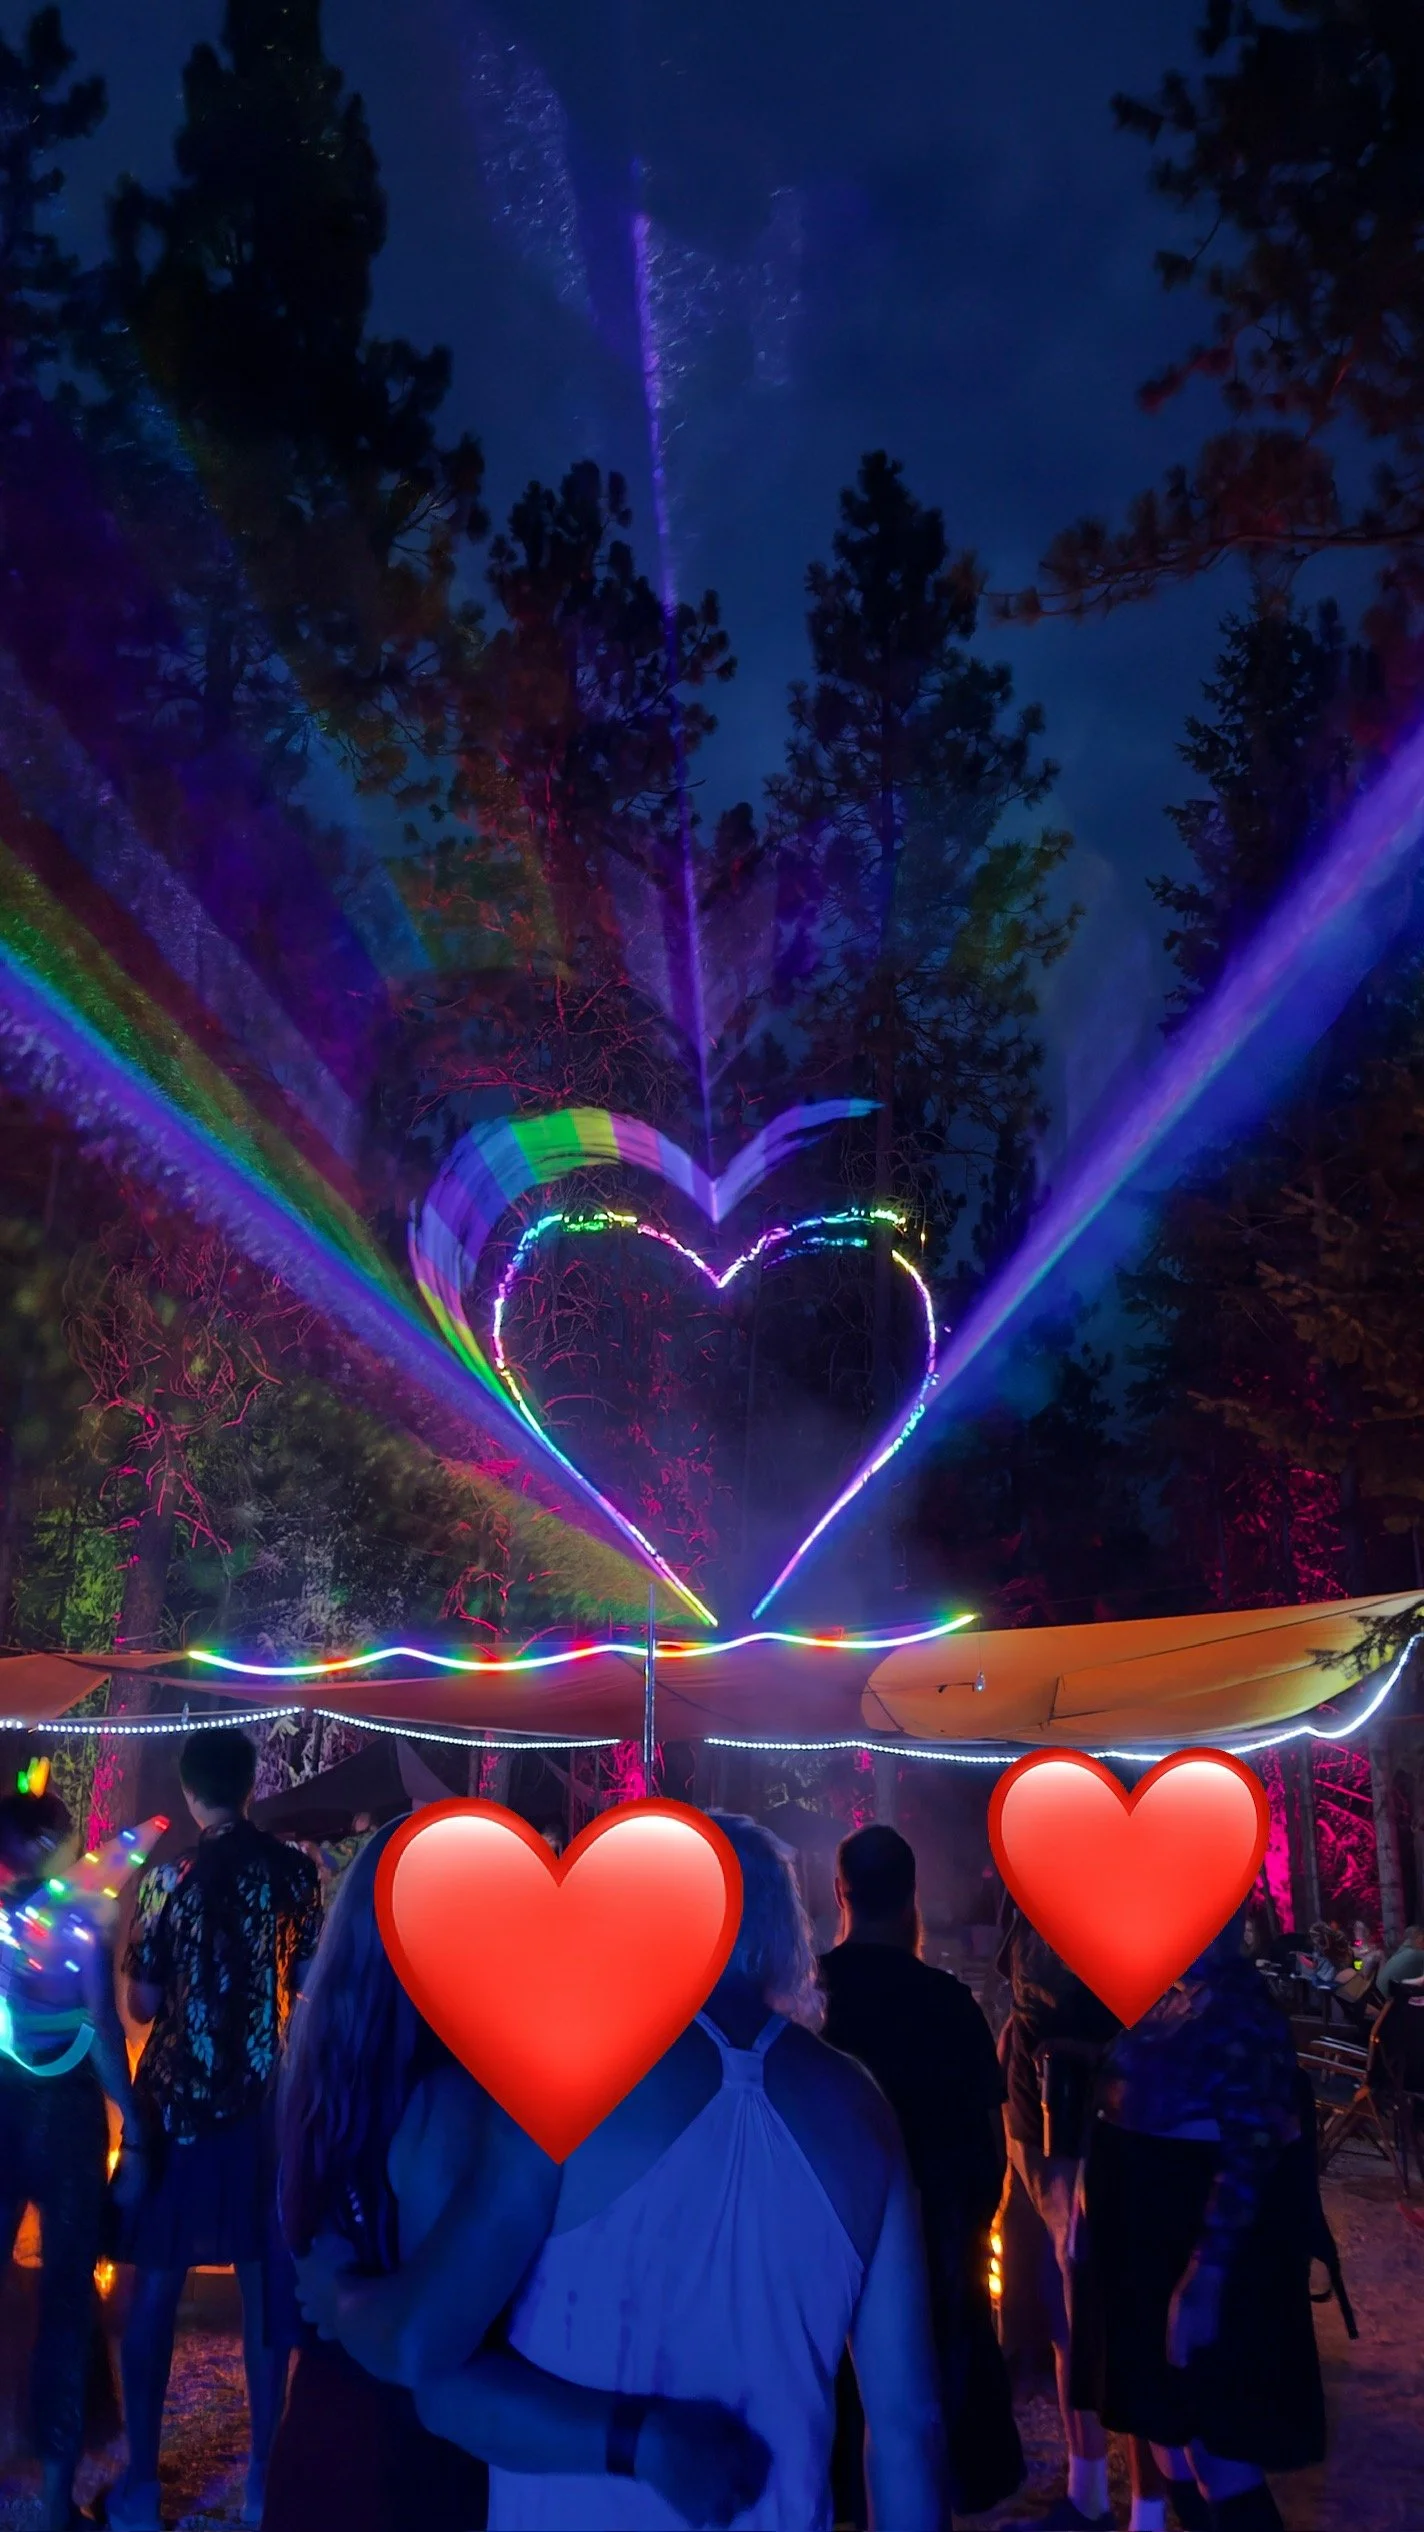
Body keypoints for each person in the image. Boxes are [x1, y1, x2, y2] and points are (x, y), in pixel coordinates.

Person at [296, 1813, 948, 2530]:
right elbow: (907, 2427)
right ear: (780, 1925)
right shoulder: (859, 2105)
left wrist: (340, 2296)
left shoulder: (567, 2080)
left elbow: (434, 2360)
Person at [265, 1820, 771, 2532]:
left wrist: (343, 2300)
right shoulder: (455, 2103)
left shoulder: (322, 2081)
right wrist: (645, 2442)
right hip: (415, 2474)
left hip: (321, 2445)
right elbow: (435, 2358)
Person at [108, 1729, 322, 2532]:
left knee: (156, 2284)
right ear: (251, 1786)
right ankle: (264, 2479)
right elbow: (306, 1983)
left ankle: (139, 2484)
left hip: (177, 2107)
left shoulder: (171, 1878)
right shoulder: (295, 1871)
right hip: (265, 2106)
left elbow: (144, 2006)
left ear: (191, 1791)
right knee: (266, 2283)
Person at [1069, 1907, 1326, 2532]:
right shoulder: (1175, 1996)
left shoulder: (1237, 2009)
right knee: (1169, 2435)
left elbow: (1253, 2148)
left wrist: (1205, 2280)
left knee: (1216, 2447)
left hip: (1199, 2255)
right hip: (1148, 2253)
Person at [818, 1824, 1022, 2519]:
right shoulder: (949, 2006)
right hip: (937, 2267)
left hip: (825, 2275)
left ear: (840, 1893)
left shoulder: (808, 2001)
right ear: (913, 1896)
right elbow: (989, 2151)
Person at [0, 1790, 144, 2531]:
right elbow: (101, 2027)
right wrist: (135, 2128)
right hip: (65, 2121)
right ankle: (56, 2502)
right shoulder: (76, 1923)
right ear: (51, 1843)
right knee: (65, 2301)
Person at [995, 1910, 1121, 2531]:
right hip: (1027, 2122)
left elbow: (1138, 2019)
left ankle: (1104, 2497)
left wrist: (1085, 2051)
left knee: (1082, 2309)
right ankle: (1085, 2484)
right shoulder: (1028, 1905)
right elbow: (1021, 2002)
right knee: (1056, 2307)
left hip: (1074, 2125)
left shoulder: (1105, 1905)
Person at [1376, 1923, 1424, 1999]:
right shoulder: (1418, 1954)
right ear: (1419, 1938)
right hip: (1388, 2001)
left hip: (1377, 1993)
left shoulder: (1402, 1950)